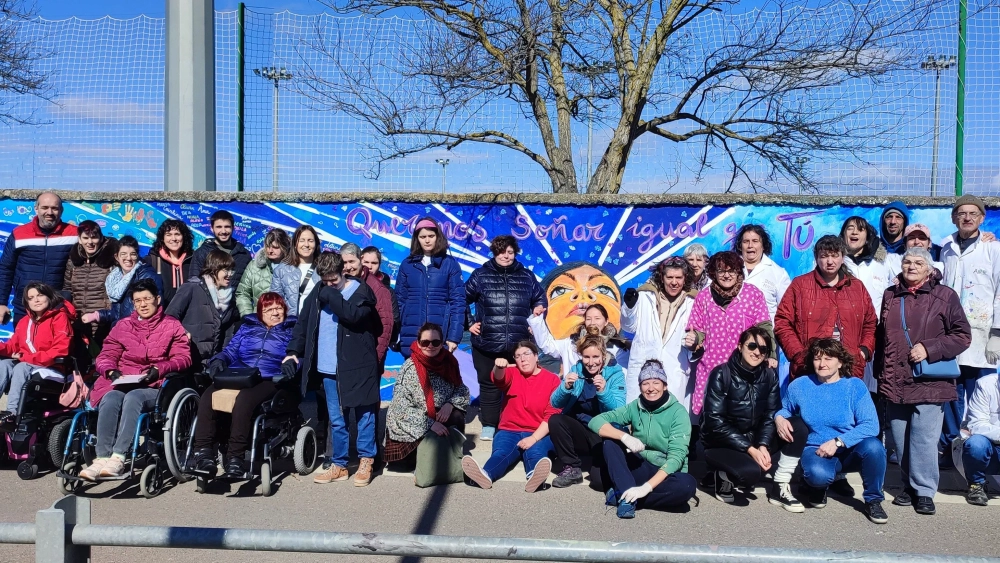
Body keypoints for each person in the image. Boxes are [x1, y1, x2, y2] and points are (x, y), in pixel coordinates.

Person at [876, 246, 970, 515]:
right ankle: (908, 486)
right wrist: (881, 372)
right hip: (895, 378)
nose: (912, 266)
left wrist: (929, 348)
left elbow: (962, 335)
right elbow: (883, 336)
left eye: (919, 262)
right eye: (907, 261)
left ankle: (925, 491)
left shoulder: (945, 296)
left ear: (929, 269)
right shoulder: (891, 294)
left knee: (924, 439)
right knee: (900, 438)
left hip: (929, 380)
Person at [284, 252, 381, 487]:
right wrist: (293, 351)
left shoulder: (361, 292)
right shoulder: (319, 291)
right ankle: (339, 464)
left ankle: (366, 461)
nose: (329, 285)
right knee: (337, 420)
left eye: (334, 280)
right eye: (324, 281)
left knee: (364, 416)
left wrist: (330, 294)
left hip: (358, 365)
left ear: (343, 272)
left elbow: (353, 315)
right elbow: (303, 323)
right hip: (328, 367)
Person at [79, 279, 192, 480]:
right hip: (123, 380)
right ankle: (102, 458)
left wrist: (159, 369)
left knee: (134, 398)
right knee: (110, 398)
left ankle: (118, 457)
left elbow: (183, 358)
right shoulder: (122, 326)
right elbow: (106, 355)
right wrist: (111, 371)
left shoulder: (172, 325)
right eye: (138, 300)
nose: (143, 304)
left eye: (147, 299)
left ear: (157, 299)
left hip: (155, 384)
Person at [774, 338, 888, 524]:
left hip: (850, 449)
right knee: (818, 476)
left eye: (828, 358)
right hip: (816, 449)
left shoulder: (854, 386)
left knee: (874, 448)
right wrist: (779, 418)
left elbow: (871, 425)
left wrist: (838, 442)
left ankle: (873, 500)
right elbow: (785, 409)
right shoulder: (800, 386)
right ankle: (818, 486)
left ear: (840, 362)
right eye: (817, 358)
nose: (822, 364)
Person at [190, 292, 297, 476]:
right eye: (269, 309)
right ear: (260, 312)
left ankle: (235, 458)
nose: (275, 313)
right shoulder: (248, 327)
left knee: (244, 400)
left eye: (279, 308)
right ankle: (204, 453)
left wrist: (292, 363)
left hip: (268, 377)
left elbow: (297, 354)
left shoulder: (291, 329)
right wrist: (219, 360)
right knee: (209, 395)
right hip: (240, 374)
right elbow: (231, 351)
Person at [589, 360, 698, 518]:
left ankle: (624, 496)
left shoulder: (678, 413)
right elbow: (595, 421)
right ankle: (627, 498)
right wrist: (624, 436)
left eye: (656, 382)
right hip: (641, 464)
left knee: (687, 486)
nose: (651, 388)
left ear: (665, 386)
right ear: (640, 387)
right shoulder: (635, 406)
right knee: (611, 436)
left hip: (665, 473)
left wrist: (646, 488)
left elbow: (676, 458)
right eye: (645, 383)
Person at [466, 235, 546, 441]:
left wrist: (538, 310)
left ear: (515, 253)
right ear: (494, 253)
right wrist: (469, 322)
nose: (506, 256)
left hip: (518, 343)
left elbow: (540, 298)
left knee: (518, 385)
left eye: (510, 252)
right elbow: (461, 299)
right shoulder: (480, 275)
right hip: (487, 342)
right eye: (501, 252)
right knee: (489, 384)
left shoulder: (527, 276)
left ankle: (516, 423)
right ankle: (489, 425)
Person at [940, 194, 1000, 457]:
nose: (967, 218)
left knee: (979, 391)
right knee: (951, 391)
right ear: (954, 218)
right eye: (961, 213)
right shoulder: (946, 248)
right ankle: (952, 445)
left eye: (973, 213)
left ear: (982, 218)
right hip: (950, 332)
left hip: (982, 334)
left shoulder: (993, 249)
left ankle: (977, 450)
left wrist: (997, 332)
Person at [461, 341, 559, 492]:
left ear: (536, 356)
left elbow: (552, 415)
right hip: (509, 429)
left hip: (538, 431)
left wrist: (533, 438)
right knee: (501, 453)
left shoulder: (552, 379)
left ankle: (535, 477)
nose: (523, 359)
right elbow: (498, 379)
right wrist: (498, 366)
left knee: (535, 452)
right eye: (518, 356)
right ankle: (485, 474)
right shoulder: (512, 373)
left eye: (526, 354)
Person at [774, 235, 877, 380]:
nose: (829, 261)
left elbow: (870, 323)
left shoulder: (856, 287)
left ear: (842, 257)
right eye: (824, 256)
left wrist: (863, 351)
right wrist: (799, 355)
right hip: (809, 370)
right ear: (816, 258)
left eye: (835, 256)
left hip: (849, 369)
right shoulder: (800, 285)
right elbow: (782, 322)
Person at [684, 251, 771, 418]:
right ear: (713, 273)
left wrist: (771, 354)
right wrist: (694, 339)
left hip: (745, 368)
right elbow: (698, 330)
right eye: (721, 271)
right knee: (711, 416)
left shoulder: (753, 294)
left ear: (738, 272)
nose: (726, 275)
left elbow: (764, 327)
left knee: (743, 414)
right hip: (711, 366)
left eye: (731, 270)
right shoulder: (703, 297)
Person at [700, 327, 780, 503]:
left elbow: (770, 414)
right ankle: (721, 473)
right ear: (740, 346)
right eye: (752, 346)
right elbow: (714, 421)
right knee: (749, 474)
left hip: (753, 438)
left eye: (763, 349)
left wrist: (763, 445)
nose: (757, 352)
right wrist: (750, 449)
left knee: (795, 427)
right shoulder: (721, 374)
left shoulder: (769, 375)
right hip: (722, 442)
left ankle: (782, 483)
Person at [385, 323, 470, 469]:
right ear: (419, 343)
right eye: (425, 342)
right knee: (404, 466)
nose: (430, 346)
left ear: (442, 343)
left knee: (457, 416)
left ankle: (450, 456)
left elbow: (461, 389)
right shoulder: (409, 367)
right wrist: (429, 424)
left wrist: (450, 404)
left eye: (435, 342)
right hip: (415, 417)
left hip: (441, 413)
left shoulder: (450, 362)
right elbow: (400, 408)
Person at [548, 334, 625, 488]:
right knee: (555, 420)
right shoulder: (576, 370)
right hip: (581, 430)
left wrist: (603, 391)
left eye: (595, 357)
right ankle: (572, 467)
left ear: (603, 356)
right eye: (586, 357)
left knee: (599, 482)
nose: (591, 362)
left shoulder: (615, 374)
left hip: (603, 433)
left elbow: (619, 411)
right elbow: (554, 403)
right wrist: (565, 387)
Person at [622, 257, 695, 407]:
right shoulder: (645, 296)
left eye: (678, 278)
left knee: (670, 416)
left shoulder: (693, 301)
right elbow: (628, 327)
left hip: (674, 367)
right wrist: (629, 308)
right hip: (643, 364)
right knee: (638, 415)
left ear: (685, 278)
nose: (674, 282)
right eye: (669, 277)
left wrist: (694, 342)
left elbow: (699, 335)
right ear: (662, 277)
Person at [0, 283, 75, 427]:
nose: (36, 300)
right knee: (3, 364)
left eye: (40, 295)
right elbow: (12, 346)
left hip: (54, 367)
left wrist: (25, 358)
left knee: (21, 367)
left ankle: (12, 414)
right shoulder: (25, 321)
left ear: (49, 297)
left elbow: (60, 350)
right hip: (30, 364)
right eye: (31, 298)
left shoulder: (59, 317)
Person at [0, 192, 78, 325]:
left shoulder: (74, 234)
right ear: (36, 209)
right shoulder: (19, 234)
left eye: (54, 208)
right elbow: (5, 269)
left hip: (58, 307)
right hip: (25, 306)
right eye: (45, 207)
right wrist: (1, 302)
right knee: (23, 340)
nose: (50, 212)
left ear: (61, 210)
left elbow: (98, 246)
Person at [395, 218, 465, 356]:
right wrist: (395, 333)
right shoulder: (407, 264)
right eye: (423, 237)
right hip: (411, 334)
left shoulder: (449, 264)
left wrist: (454, 337)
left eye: (431, 236)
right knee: (413, 370)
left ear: (437, 237)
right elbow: (399, 301)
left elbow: (458, 302)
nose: (427, 240)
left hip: (440, 335)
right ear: (417, 239)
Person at [165, 250, 239, 368]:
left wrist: (222, 358)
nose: (230, 274)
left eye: (232, 270)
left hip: (211, 362)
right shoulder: (191, 287)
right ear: (213, 269)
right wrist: (184, 335)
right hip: (189, 358)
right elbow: (170, 317)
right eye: (226, 270)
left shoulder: (229, 297)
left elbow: (228, 332)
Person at [62, 220, 118, 364]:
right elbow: (67, 289)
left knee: (104, 363)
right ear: (80, 239)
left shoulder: (112, 259)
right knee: (81, 364)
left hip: (103, 321)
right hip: (79, 320)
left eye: (94, 237)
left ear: (101, 238)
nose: (90, 242)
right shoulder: (73, 261)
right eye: (86, 238)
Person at [80, 236, 163, 328]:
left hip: (139, 330)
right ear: (117, 257)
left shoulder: (147, 276)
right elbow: (118, 314)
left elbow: (156, 310)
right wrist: (97, 315)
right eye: (123, 254)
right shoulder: (116, 278)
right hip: (121, 330)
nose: (128, 258)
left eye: (133, 254)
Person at [528, 303, 630, 377]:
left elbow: (625, 375)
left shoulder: (618, 347)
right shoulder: (571, 343)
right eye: (588, 319)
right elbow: (547, 345)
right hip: (575, 396)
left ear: (606, 321)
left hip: (605, 397)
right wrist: (537, 320)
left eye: (597, 318)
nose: (592, 322)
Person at [341, 242, 395, 365]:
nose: (348, 267)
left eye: (351, 261)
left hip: (367, 359)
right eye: (344, 262)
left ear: (360, 259)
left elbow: (385, 326)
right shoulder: (338, 282)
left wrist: (374, 360)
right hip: (342, 358)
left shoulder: (377, 288)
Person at [734, 225, 791, 321]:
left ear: (763, 245)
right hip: (733, 329)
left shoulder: (779, 274)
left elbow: (787, 311)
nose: (750, 245)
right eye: (746, 241)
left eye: (755, 241)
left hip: (765, 330)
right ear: (740, 246)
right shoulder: (727, 269)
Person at [961, 372, 1000, 506]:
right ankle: (976, 485)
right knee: (976, 444)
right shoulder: (985, 384)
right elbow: (976, 424)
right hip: (991, 446)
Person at [190, 210, 252, 293]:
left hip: (236, 301)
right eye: (219, 227)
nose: (223, 231)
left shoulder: (244, 254)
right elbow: (194, 283)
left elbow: (248, 286)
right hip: (207, 301)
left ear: (233, 228)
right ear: (212, 229)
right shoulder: (202, 253)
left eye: (227, 227)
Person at [236, 228, 291, 317]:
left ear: (285, 247)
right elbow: (242, 293)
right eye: (268, 246)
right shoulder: (254, 266)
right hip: (259, 321)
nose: (270, 250)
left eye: (275, 247)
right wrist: (248, 317)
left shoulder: (295, 268)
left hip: (286, 321)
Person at [271, 225, 320, 317]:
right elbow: (275, 301)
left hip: (318, 322)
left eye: (310, 240)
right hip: (292, 322)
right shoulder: (281, 270)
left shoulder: (324, 268)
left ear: (316, 243)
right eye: (301, 240)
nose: (306, 244)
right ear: (295, 244)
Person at [144, 219, 195, 306]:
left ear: (184, 237)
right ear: (162, 238)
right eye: (169, 235)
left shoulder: (193, 260)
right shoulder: (151, 261)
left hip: (190, 312)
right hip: (162, 312)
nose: (173, 238)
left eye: (177, 234)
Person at [361, 245, 400, 350]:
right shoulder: (352, 284)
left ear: (379, 264)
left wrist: (387, 341)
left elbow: (395, 319)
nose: (369, 266)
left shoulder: (387, 290)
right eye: (366, 262)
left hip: (378, 343)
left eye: (374, 263)